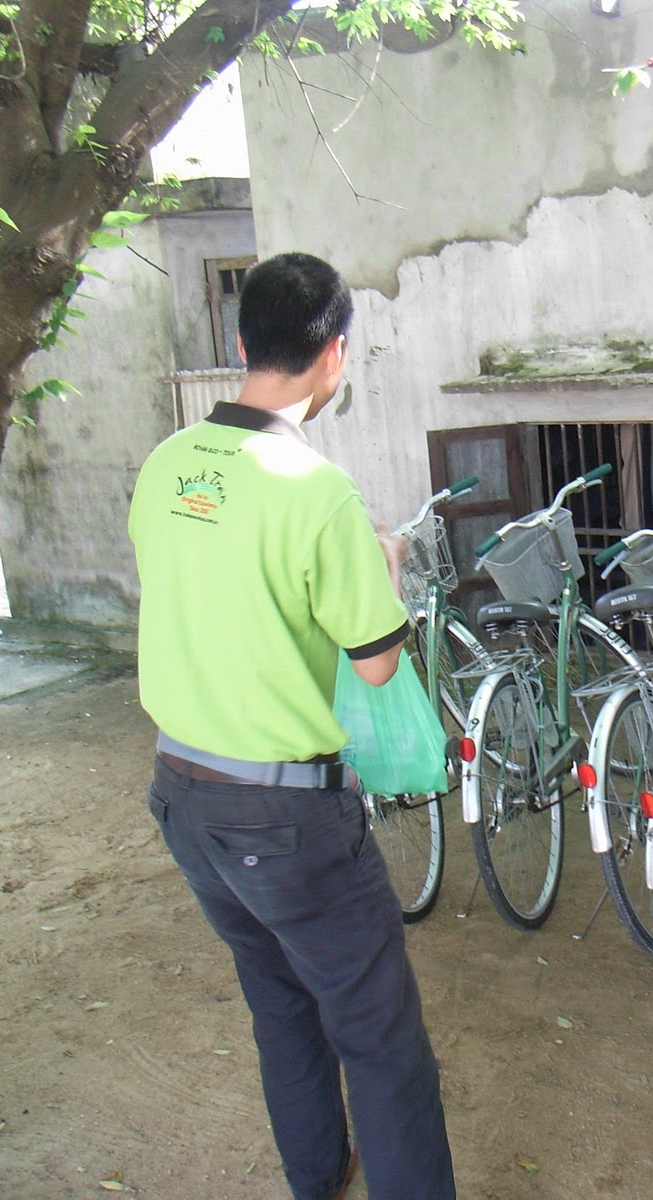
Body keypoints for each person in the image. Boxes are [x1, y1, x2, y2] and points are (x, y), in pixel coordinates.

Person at [128, 252, 456, 1200]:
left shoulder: (166, 464)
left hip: (184, 793)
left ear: (240, 345)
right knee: (381, 1038)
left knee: (280, 1005)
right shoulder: (316, 493)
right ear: (335, 357)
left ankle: (319, 1178)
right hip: (287, 817)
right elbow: (378, 660)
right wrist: (384, 561)